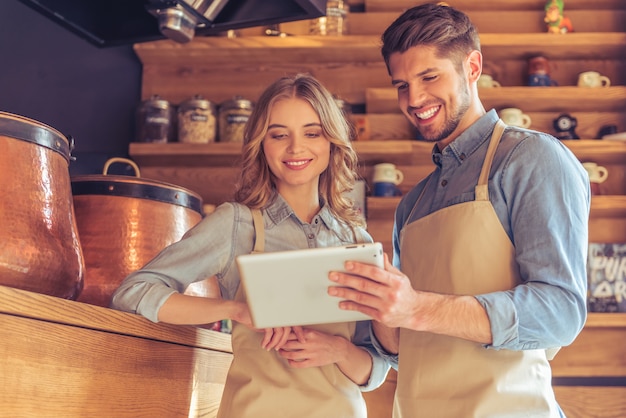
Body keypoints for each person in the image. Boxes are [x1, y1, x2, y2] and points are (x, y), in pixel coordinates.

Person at [327, 3, 590, 417]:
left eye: (429, 76)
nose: (413, 99)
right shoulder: (411, 205)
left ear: (472, 67)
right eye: (401, 85)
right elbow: (401, 348)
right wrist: (379, 301)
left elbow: (560, 312)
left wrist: (417, 306)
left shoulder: (531, 159)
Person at [111, 73, 389, 417]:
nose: (295, 148)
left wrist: (337, 350)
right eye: (279, 134)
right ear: (262, 144)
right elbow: (134, 293)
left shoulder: (356, 241)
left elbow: (374, 370)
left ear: (331, 142)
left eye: (312, 133)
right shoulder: (236, 224)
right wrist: (236, 310)